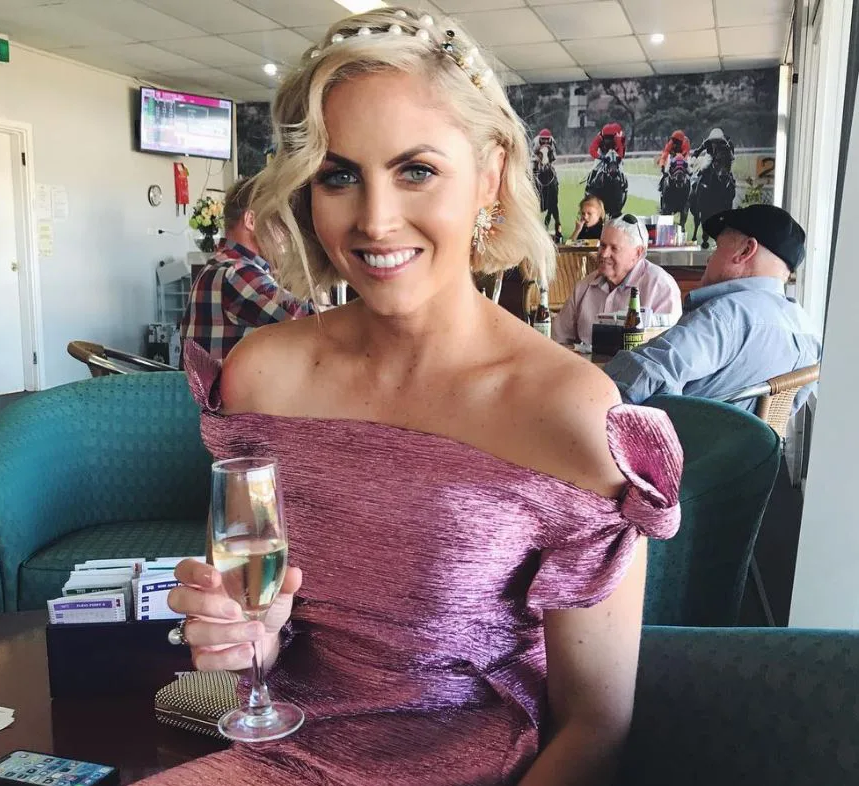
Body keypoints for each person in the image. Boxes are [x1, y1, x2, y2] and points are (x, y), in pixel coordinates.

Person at [159, 7, 682, 786]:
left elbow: (596, 725)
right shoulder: (263, 376)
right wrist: (248, 640)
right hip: (281, 757)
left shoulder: (569, 413)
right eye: (341, 175)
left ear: (491, 175)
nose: (374, 220)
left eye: (416, 170)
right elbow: (271, 631)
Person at [604, 205, 821, 411]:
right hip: (745, 449)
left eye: (718, 247)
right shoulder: (807, 333)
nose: (710, 257)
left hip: (680, 445)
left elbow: (645, 374)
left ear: (745, 250)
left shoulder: (726, 316)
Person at [179, 176, 315, 361]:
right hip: (225, 390)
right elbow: (309, 320)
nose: (284, 234)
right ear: (251, 220)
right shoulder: (235, 272)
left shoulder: (219, 266)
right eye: (279, 223)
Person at [553, 214, 682, 345]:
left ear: (638, 253)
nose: (604, 254)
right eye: (602, 246)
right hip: (586, 364)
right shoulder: (584, 287)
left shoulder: (660, 286)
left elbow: (668, 348)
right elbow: (559, 339)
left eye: (614, 248)